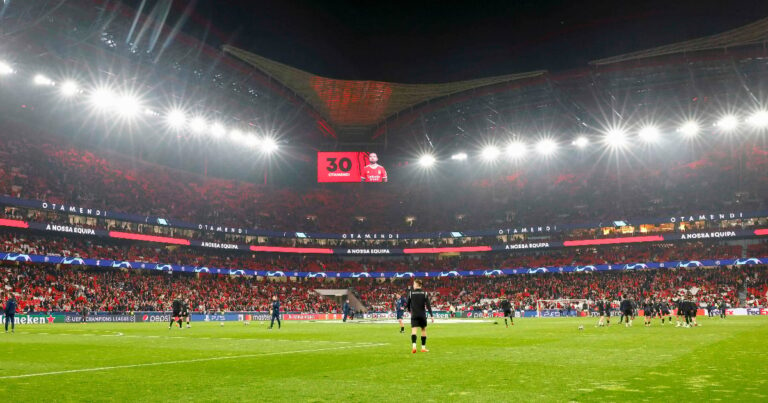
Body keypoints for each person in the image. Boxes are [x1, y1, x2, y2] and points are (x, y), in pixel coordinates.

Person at [406, 279, 434, 353]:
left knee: (414, 330)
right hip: (422, 314)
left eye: (414, 284)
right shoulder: (424, 293)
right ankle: (423, 348)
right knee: (423, 330)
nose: (413, 285)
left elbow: (407, 304)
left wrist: (409, 310)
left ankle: (414, 347)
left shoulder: (411, 293)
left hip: (414, 314)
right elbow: (428, 305)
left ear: (417, 285)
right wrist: (431, 315)